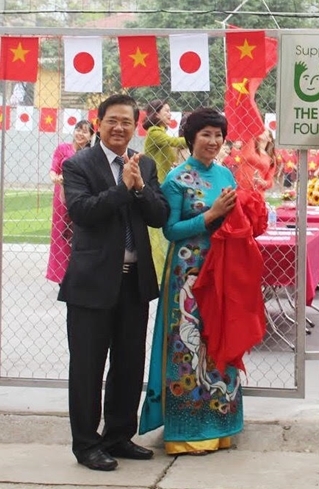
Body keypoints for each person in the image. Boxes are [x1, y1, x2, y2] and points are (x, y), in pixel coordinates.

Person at [58, 94, 169, 471]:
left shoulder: (145, 163)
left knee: (128, 362)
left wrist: (139, 188)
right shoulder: (78, 165)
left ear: (136, 125)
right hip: (91, 283)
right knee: (88, 367)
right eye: (112, 121)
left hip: (133, 282)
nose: (119, 128)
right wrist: (122, 189)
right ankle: (87, 444)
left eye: (126, 121)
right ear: (99, 122)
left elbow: (158, 215)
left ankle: (119, 435)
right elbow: (82, 212)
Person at [139, 108, 245, 456]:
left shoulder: (227, 174)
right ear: (191, 138)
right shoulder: (176, 179)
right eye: (206, 135)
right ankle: (187, 430)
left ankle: (222, 425)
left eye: (218, 135)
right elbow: (170, 230)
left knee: (219, 340)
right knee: (189, 346)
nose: (213, 142)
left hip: (222, 273)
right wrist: (210, 215)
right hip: (187, 278)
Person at [142, 99, 189, 278]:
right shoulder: (155, 132)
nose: (170, 114)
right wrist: (196, 136)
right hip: (154, 186)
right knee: (156, 233)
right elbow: (176, 142)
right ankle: (159, 272)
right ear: (156, 114)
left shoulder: (161, 132)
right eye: (166, 111)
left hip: (161, 185)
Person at [46, 119, 94, 284]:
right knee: (61, 235)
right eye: (78, 129)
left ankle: (78, 274)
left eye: (85, 131)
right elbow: (53, 170)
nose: (80, 133)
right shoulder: (62, 149)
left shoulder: (90, 155)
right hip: (62, 199)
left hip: (81, 198)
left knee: (80, 235)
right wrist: (56, 178)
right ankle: (61, 276)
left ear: (91, 136)